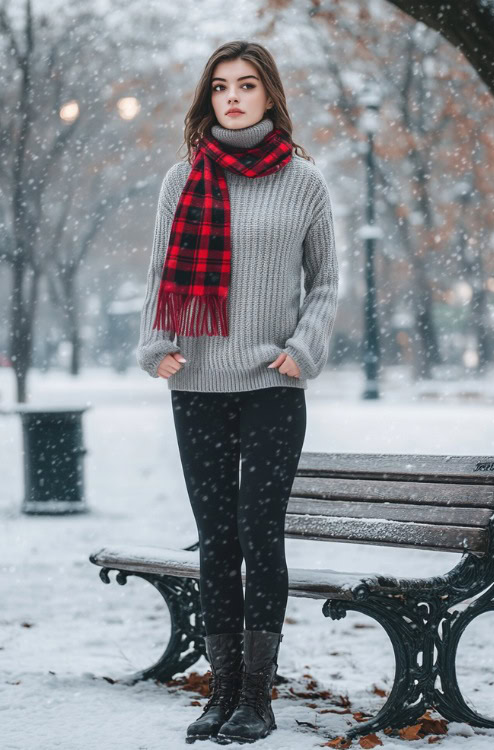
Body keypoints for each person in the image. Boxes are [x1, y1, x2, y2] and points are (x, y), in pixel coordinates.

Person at [137, 39, 339, 745]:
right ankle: (220, 695)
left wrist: (303, 349)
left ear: (268, 95)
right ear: (208, 97)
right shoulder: (183, 178)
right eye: (220, 85)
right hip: (195, 379)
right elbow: (164, 276)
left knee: (261, 532)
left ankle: (258, 696)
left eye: (246, 85)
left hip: (271, 384)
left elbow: (325, 282)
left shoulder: (303, 182)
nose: (232, 96)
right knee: (218, 539)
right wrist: (155, 343)